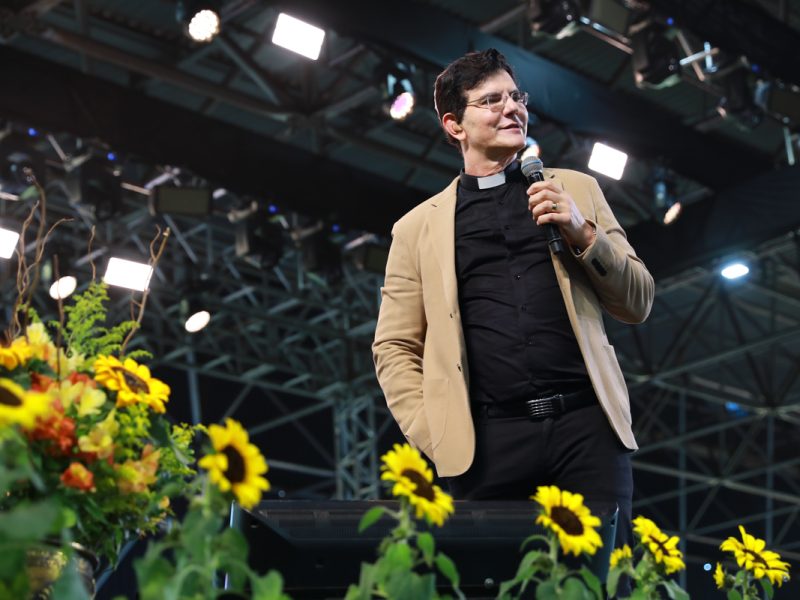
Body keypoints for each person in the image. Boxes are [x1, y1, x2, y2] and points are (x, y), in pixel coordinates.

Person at [372, 48, 654, 549]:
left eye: (516, 96)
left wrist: (582, 232)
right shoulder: (416, 228)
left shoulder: (576, 190)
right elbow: (393, 347)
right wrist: (435, 431)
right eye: (491, 100)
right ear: (454, 126)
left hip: (586, 431)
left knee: (603, 584)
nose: (512, 109)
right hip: (487, 444)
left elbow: (638, 300)